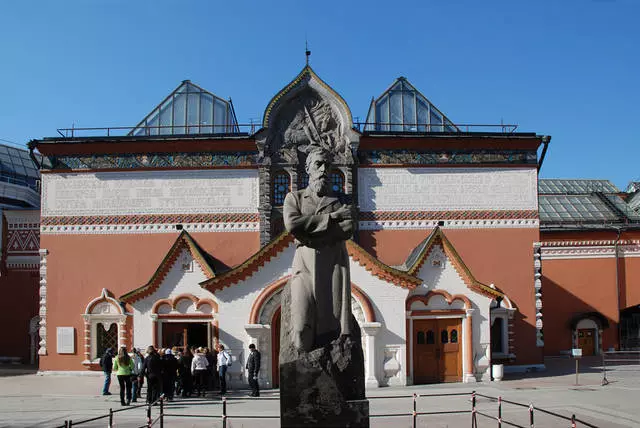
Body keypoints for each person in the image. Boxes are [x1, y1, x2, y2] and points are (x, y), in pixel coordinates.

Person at [283, 147, 355, 352]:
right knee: (300, 330)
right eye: (318, 164)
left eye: (328, 165)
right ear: (308, 168)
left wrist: (309, 234)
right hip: (304, 263)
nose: (324, 169)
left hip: (333, 263)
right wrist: (333, 217)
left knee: (332, 324)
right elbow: (293, 224)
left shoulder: (343, 200)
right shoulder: (294, 198)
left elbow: (348, 229)